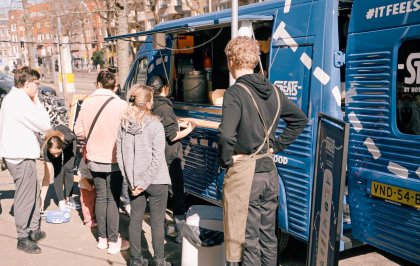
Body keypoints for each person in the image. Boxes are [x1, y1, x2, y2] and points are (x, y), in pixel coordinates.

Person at [219, 36, 308, 266]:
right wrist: (275, 146)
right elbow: (300, 120)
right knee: (268, 237)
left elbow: (227, 135)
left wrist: (227, 160)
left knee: (248, 240)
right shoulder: (275, 91)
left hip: (247, 176)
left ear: (231, 61)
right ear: (255, 61)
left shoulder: (235, 93)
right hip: (270, 173)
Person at [74, 70, 129, 254]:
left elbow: (79, 131)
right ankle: (114, 241)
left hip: (94, 158)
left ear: (97, 84)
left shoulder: (87, 103)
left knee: (101, 197)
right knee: (112, 199)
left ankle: (102, 239)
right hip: (115, 159)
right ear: (114, 85)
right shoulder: (121, 104)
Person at [116, 84, 172, 266]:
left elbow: (120, 156)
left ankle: (135, 260)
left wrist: (132, 181)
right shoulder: (156, 125)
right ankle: (159, 261)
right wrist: (145, 182)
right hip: (156, 181)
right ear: (148, 103)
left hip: (135, 183)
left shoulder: (123, 125)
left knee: (135, 221)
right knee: (157, 223)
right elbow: (157, 159)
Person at [0, 67, 51, 254]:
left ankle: (33, 228)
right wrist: (37, 102)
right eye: (36, 84)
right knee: (25, 196)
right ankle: (23, 237)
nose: (38, 87)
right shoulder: (19, 102)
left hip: (20, 153)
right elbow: (45, 124)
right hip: (19, 155)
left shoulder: (14, 99)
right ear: (27, 83)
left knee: (33, 191)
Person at [147, 75, 196, 243]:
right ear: (165, 88)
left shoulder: (150, 104)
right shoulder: (165, 107)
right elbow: (172, 135)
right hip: (170, 156)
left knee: (161, 195)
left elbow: (164, 126)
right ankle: (181, 234)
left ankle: (162, 228)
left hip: (157, 155)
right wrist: (189, 129)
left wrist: (177, 122)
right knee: (177, 194)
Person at [42, 125, 78, 211]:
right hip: (57, 143)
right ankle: (61, 201)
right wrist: (42, 199)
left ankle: (69, 197)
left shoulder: (68, 139)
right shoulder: (46, 151)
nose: (55, 155)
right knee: (58, 171)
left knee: (68, 169)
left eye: (57, 153)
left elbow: (74, 136)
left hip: (69, 144)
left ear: (61, 147)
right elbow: (47, 177)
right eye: (53, 153)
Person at [78, 159, 97, 228]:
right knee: (87, 204)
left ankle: (93, 218)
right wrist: (87, 185)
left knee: (93, 203)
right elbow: (81, 173)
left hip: (94, 184)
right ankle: (88, 220)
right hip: (86, 185)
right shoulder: (84, 159)